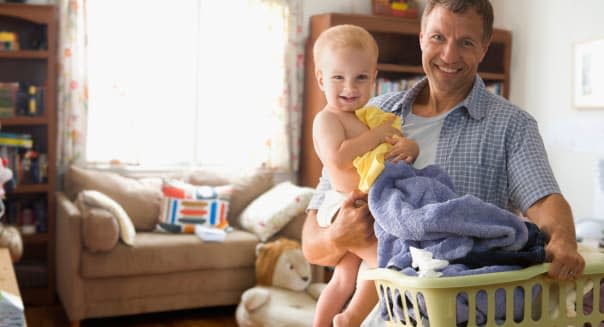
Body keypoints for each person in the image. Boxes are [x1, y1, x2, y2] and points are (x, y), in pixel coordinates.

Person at [303, 0, 585, 324]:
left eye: (466, 42)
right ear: (422, 37)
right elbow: (312, 245)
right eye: (438, 38)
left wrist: (563, 240)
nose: (449, 56)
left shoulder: (512, 125)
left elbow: (544, 198)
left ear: (484, 47)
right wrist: (340, 236)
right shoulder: (367, 114)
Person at [310, 25, 419, 327]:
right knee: (384, 262)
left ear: (373, 78)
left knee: (344, 279)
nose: (349, 87)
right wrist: (377, 135)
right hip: (342, 206)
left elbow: (392, 144)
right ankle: (351, 319)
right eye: (338, 77)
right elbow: (339, 156)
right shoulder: (327, 118)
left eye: (360, 77)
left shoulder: (366, 116)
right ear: (321, 79)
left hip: (364, 206)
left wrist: (408, 146)